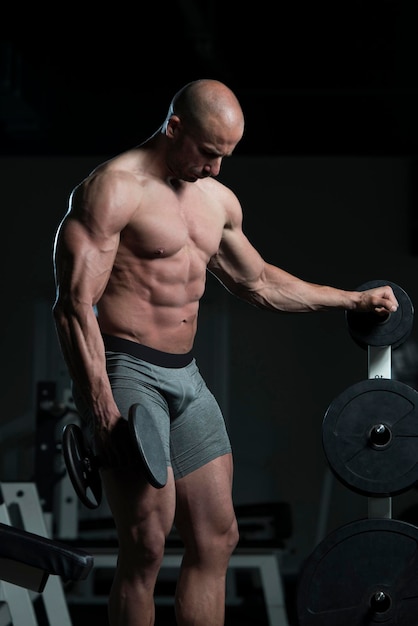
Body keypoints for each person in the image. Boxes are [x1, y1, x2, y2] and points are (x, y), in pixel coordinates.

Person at [52, 78, 399, 626]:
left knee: (218, 537)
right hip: (127, 371)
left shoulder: (217, 201)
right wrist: (100, 410)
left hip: (186, 377)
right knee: (146, 542)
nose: (216, 168)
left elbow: (259, 282)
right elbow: (74, 305)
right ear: (175, 128)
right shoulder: (113, 189)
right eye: (209, 153)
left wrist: (352, 300)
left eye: (225, 157)